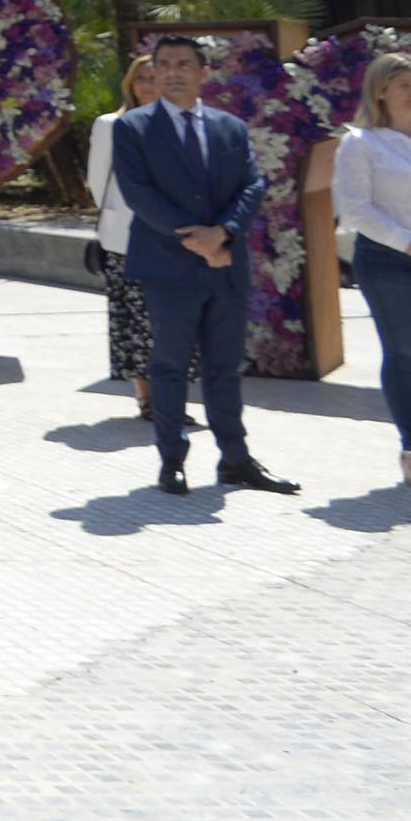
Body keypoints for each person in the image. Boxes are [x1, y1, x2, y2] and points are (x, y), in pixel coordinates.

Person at [109, 35, 298, 498]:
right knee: (171, 366)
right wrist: (198, 240)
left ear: (203, 73)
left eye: (183, 64)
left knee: (225, 367)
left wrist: (224, 234)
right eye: (164, 64)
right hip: (169, 267)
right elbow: (139, 196)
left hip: (227, 264)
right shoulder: (132, 128)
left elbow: (252, 186)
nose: (173, 72)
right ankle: (171, 459)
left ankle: (236, 460)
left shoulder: (230, 127)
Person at [332, 51, 411, 493]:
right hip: (391, 260)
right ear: (380, 91)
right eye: (404, 83)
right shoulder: (361, 143)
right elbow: (354, 209)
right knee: (406, 354)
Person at [86, 55, 167, 417]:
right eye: (141, 79)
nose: (148, 85)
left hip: (170, 237)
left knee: (168, 319)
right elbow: (97, 180)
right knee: (133, 318)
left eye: (154, 77)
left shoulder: (176, 124)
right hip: (125, 237)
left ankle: (171, 396)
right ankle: (146, 397)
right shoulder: (110, 124)